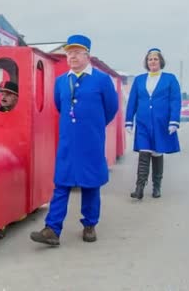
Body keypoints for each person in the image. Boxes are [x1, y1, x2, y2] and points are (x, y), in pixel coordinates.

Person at [30, 34, 118, 246]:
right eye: (69, 53)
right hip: (68, 141)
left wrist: (93, 125)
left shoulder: (102, 80)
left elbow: (111, 108)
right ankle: (52, 229)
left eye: (77, 53)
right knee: (61, 183)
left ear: (88, 55)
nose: (72, 57)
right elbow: (60, 106)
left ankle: (89, 225)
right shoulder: (61, 82)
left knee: (91, 184)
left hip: (91, 141)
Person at [125, 48, 181, 200]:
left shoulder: (170, 78)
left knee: (157, 153)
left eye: (155, 59)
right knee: (144, 153)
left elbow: (175, 101)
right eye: (150, 59)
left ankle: (157, 186)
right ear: (146, 62)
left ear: (160, 61)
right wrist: (129, 121)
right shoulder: (139, 79)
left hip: (161, 123)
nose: (153, 61)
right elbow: (132, 101)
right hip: (143, 122)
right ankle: (139, 188)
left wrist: (174, 121)